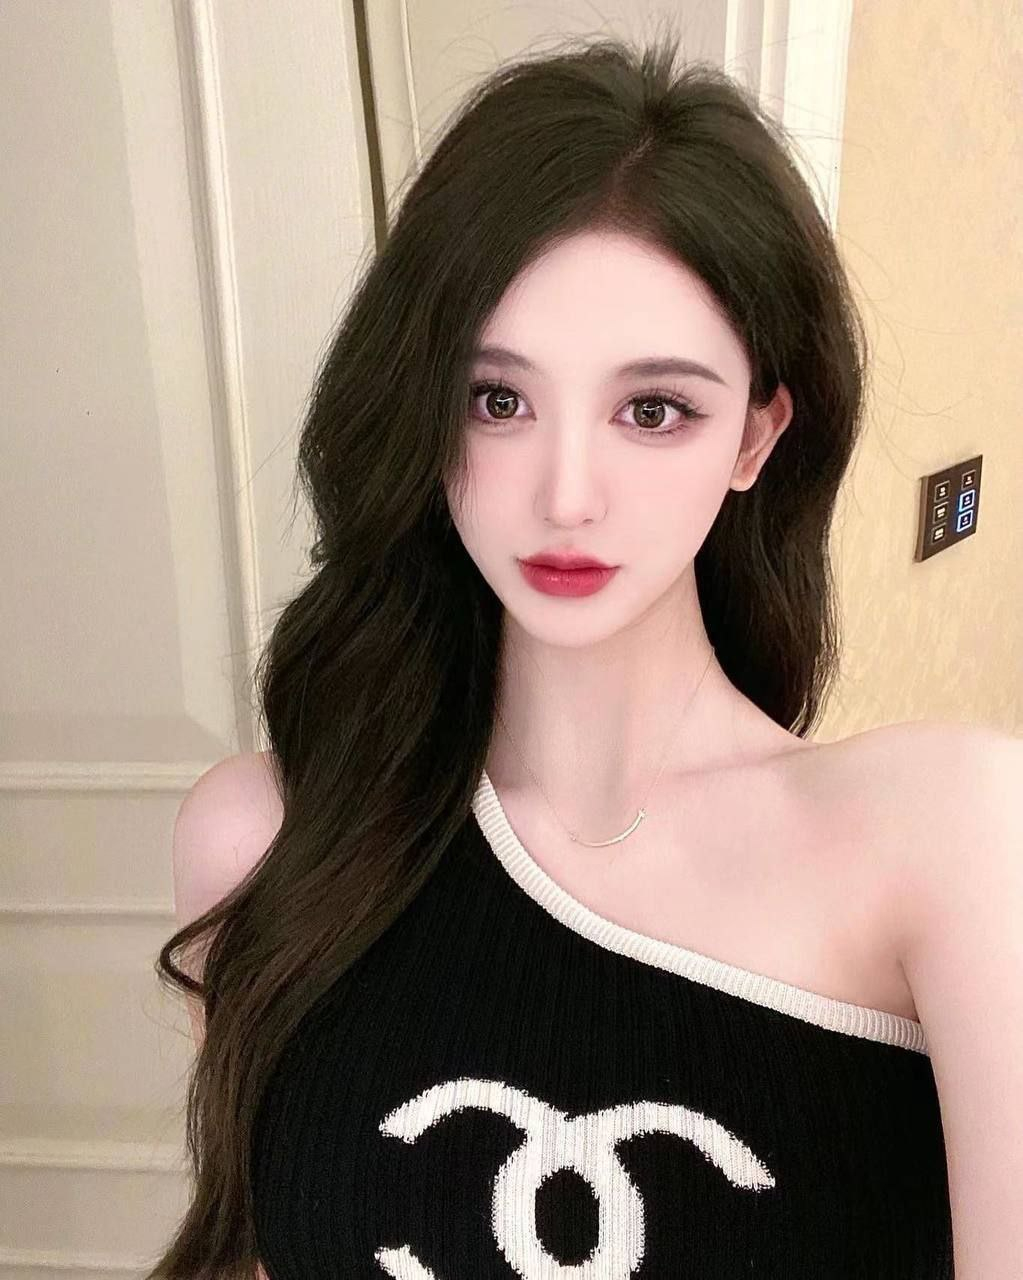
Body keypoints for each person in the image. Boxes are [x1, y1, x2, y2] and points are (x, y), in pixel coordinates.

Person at [147, 33, 983, 1280]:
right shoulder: (269, 842)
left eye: (654, 409)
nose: (567, 494)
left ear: (757, 437)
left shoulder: (945, 842)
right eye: (498, 400)